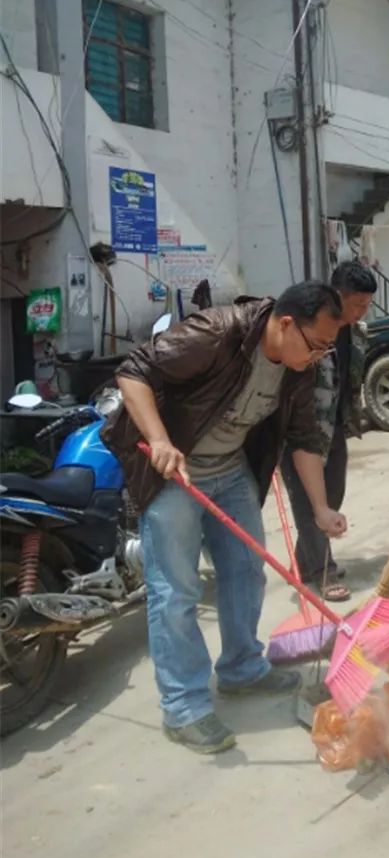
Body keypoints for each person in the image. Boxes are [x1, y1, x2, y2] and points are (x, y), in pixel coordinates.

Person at [103, 282, 347, 754]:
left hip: (230, 470)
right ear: (286, 323)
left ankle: (241, 668)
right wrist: (159, 440)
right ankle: (183, 708)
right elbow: (133, 372)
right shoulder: (219, 332)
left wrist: (320, 508)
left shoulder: (297, 367)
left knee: (245, 570)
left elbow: (303, 438)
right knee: (176, 591)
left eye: (326, 349)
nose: (317, 357)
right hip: (177, 470)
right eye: (315, 345)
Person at [280, 261, 376, 601]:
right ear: (337, 296)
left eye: (367, 304)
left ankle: (305, 561)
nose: (363, 311)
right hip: (299, 432)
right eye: (358, 304)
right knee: (309, 503)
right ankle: (323, 572)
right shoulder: (310, 327)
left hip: (334, 427)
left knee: (331, 497)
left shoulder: (356, 332)